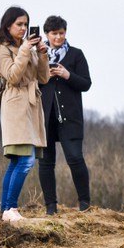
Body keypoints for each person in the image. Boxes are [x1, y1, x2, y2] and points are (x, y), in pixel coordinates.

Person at [0, 6, 50, 222]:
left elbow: (44, 79)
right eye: (19, 24)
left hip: (33, 107)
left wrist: (42, 54)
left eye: (26, 24)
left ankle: (6, 210)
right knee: (25, 159)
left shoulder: (30, 50)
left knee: (17, 161)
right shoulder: (1, 49)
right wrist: (26, 49)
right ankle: (11, 208)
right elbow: (13, 76)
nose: (24, 28)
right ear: (8, 25)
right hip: (16, 106)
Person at [38, 15, 93, 215]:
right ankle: (50, 208)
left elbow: (86, 84)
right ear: (47, 34)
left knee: (75, 159)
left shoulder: (76, 55)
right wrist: (45, 75)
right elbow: (30, 82)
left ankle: (85, 205)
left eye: (62, 33)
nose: (59, 37)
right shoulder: (38, 55)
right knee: (45, 163)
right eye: (54, 34)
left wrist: (67, 75)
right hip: (44, 118)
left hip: (71, 118)